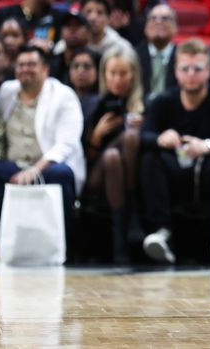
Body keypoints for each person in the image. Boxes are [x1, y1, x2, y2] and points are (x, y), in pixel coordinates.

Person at [139, 39, 210, 265]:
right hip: (174, 171)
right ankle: (161, 233)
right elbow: (144, 135)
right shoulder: (163, 101)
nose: (191, 74)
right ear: (176, 72)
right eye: (185, 69)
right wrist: (160, 138)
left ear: (209, 71)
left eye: (197, 69)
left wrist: (207, 146)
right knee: (149, 157)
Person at [0, 45, 86, 245]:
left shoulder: (63, 95)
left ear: (45, 69)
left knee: (61, 174)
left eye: (31, 64)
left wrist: (35, 170)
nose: (25, 69)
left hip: (47, 166)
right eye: (21, 65)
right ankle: (0, 244)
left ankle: (63, 246)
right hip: (15, 164)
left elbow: (66, 143)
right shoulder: (7, 92)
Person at [83, 46, 144, 262]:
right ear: (104, 75)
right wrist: (96, 137)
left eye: (123, 73)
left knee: (116, 155)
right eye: (113, 73)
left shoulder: (145, 105)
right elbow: (86, 158)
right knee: (122, 144)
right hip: (95, 174)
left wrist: (143, 129)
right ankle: (132, 211)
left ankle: (120, 240)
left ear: (133, 74)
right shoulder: (92, 104)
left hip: (130, 170)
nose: (118, 79)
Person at [135, 3, 178, 101]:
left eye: (165, 18)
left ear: (176, 27)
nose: (158, 22)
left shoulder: (183, 57)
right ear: (146, 27)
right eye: (153, 18)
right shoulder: (133, 55)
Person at [50, 9, 91, 83]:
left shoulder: (96, 60)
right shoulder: (52, 63)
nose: (72, 29)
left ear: (88, 31)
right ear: (61, 32)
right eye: (68, 25)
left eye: (77, 25)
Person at [67, 47, 100, 119]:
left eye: (87, 66)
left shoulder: (102, 103)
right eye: (76, 66)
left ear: (98, 71)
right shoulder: (62, 99)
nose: (80, 71)